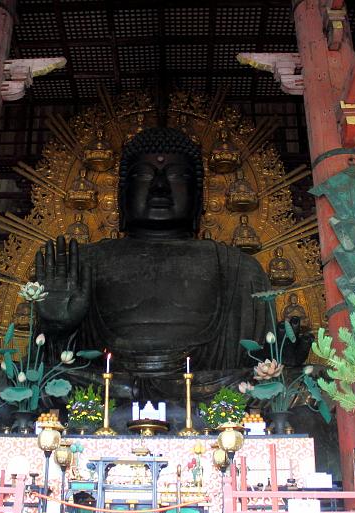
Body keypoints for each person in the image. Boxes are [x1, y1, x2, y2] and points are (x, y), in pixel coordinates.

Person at [34, 127, 274, 398]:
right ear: (122, 195)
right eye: (143, 176)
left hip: (208, 394)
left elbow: (263, 366)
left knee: (295, 384)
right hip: (106, 394)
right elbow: (47, 367)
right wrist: (57, 330)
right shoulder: (84, 263)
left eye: (177, 176)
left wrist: (286, 355)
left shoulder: (240, 269)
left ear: (199, 196)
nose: (160, 187)